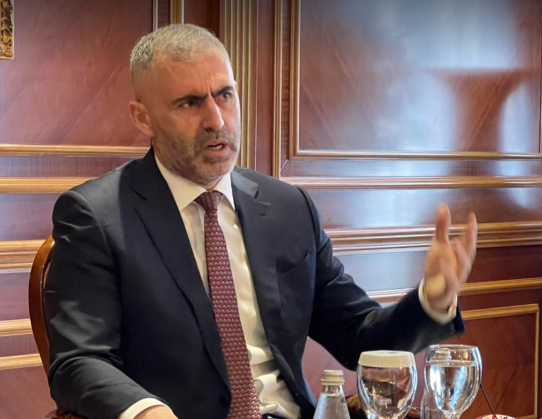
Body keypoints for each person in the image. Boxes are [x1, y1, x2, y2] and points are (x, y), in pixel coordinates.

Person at [44, 24, 477, 419]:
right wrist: (146, 414)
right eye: (190, 103)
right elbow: (79, 360)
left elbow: (359, 339)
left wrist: (432, 300)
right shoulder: (98, 216)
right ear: (143, 118)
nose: (216, 120)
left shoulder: (288, 208)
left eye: (225, 95)